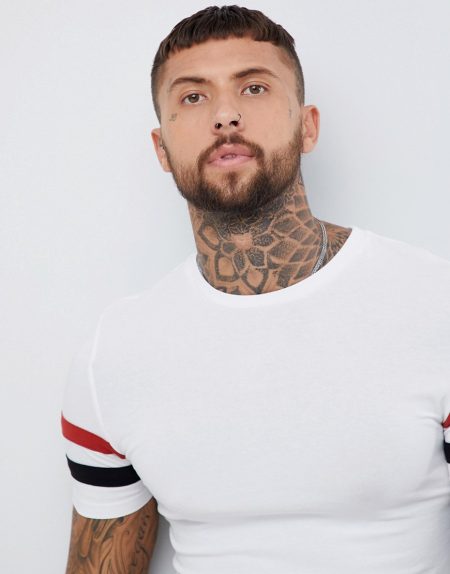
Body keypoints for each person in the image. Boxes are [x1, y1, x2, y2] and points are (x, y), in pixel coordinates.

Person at [61, 5, 450, 573]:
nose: (225, 115)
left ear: (307, 126)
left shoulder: (433, 307)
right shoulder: (112, 356)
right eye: (193, 96)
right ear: (161, 148)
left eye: (254, 88)